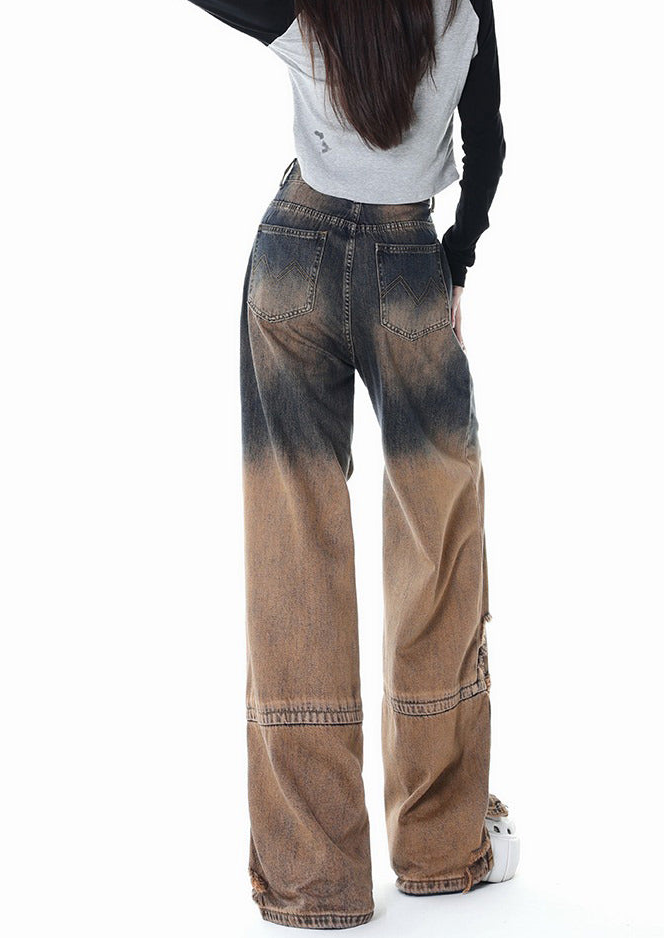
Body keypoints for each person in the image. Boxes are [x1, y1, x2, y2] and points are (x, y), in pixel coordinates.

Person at [186, 0, 518, 928]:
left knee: (293, 551)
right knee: (439, 549)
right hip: (410, 265)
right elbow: (488, 143)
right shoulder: (465, 5)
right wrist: (459, 256)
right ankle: (441, 848)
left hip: (291, 256)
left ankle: (314, 877)